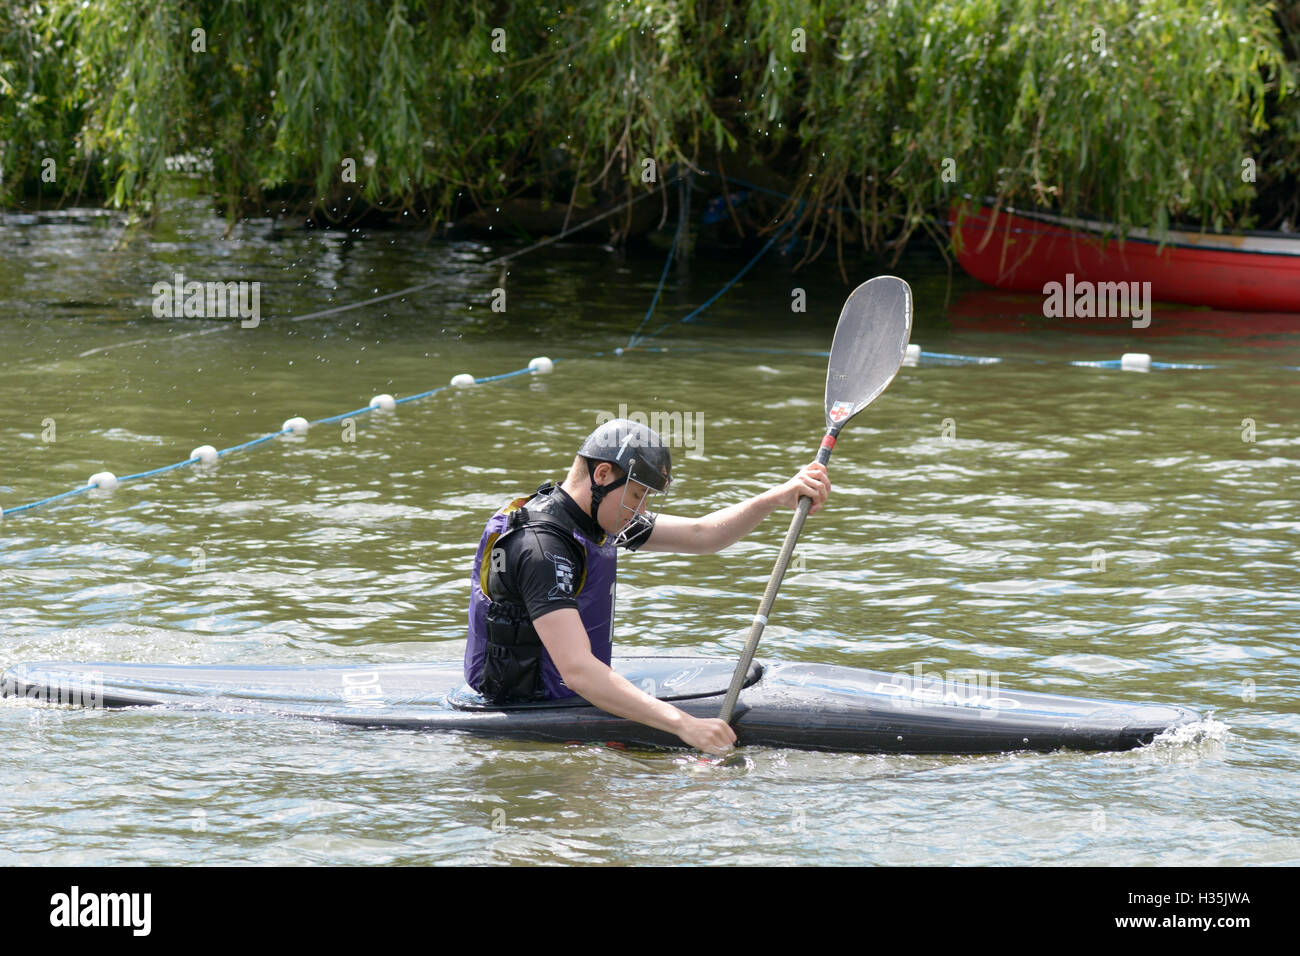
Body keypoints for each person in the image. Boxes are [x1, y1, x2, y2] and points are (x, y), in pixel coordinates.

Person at [465, 417, 830, 754]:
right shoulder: (542, 548)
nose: (639, 511)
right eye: (637, 495)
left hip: (569, 694)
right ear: (602, 475)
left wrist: (777, 497)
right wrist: (686, 726)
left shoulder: (593, 519)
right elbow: (577, 671)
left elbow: (703, 536)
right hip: (529, 709)